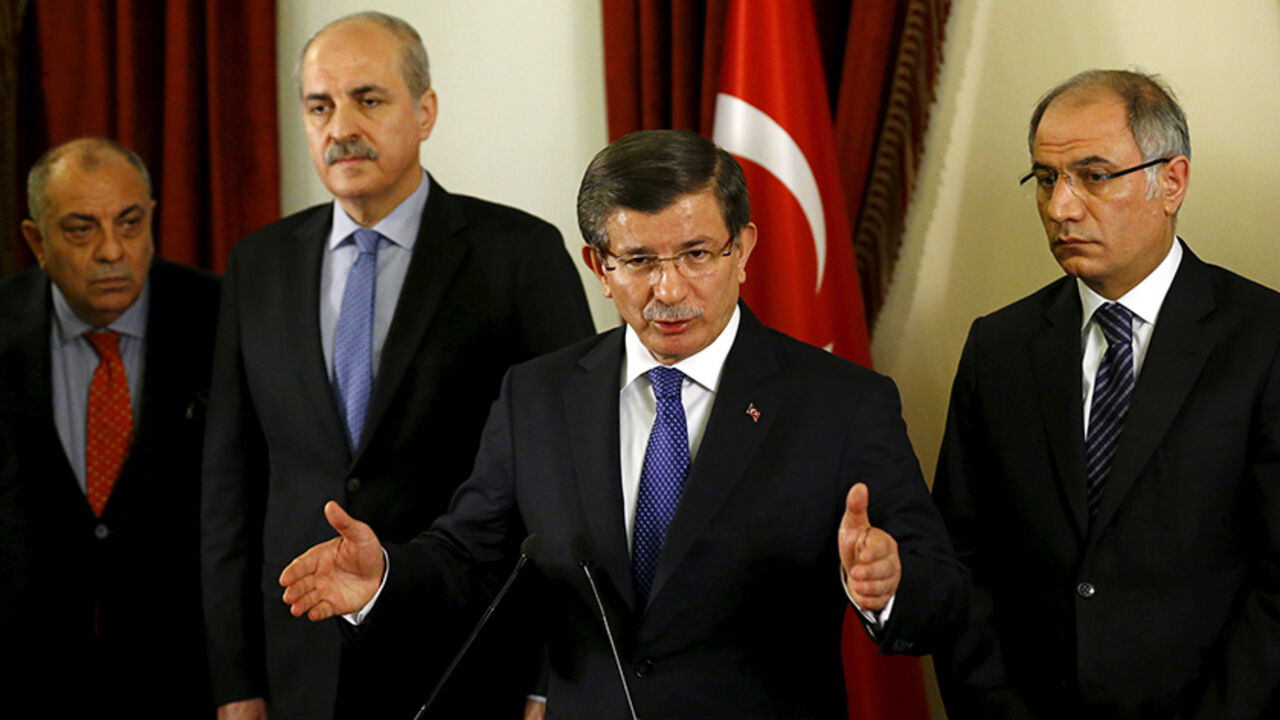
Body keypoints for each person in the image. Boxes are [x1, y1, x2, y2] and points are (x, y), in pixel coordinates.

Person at [278, 129, 968, 719]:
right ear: (599, 267)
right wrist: (384, 579)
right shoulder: (537, 395)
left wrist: (889, 586)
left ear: (743, 249)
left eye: (697, 254)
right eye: (638, 260)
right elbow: (468, 561)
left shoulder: (840, 403)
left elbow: (940, 595)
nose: (669, 289)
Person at [199, 11, 595, 720]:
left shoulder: (519, 256)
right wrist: (236, 683)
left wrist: (548, 678)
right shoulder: (257, 265)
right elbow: (229, 485)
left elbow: (570, 478)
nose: (341, 125)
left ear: (425, 111)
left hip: (470, 660)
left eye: (368, 99)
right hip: (299, 666)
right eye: (320, 106)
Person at [932, 69, 1280, 718]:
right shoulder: (998, 348)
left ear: (1170, 182)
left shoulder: (1264, 340)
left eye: (1093, 176)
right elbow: (959, 559)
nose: (1061, 207)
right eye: (1045, 179)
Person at [0, 138, 218, 715]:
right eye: (81, 229)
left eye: (129, 223)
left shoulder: (220, 318)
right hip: (27, 675)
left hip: (185, 675)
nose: (112, 251)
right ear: (36, 242)